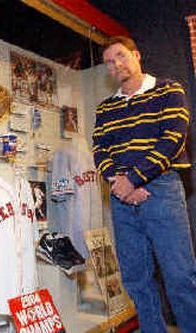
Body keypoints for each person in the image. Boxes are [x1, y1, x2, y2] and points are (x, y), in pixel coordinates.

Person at [92, 36, 196, 332]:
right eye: (109, 62)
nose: (116, 65)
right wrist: (120, 183)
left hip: (162, 188)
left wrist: (134, 179)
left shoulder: (168, 90)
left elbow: (173, 139)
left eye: (121, 56)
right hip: (121, 197)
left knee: (180, 276)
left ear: (136, 55)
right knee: (136, 279)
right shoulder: (106, 108)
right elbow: (100, 149)